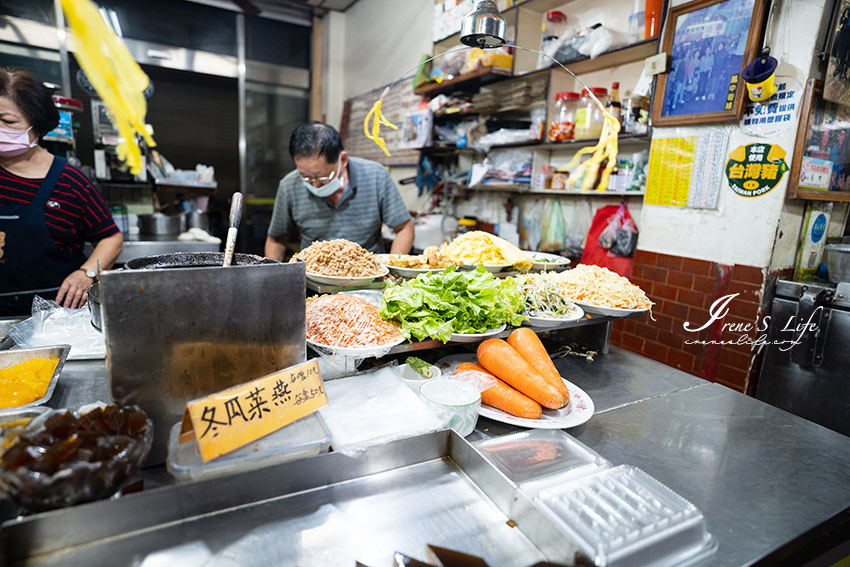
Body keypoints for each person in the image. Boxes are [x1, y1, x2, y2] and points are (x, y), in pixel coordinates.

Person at [0, 68, 122, 316]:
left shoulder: (70, 181)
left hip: (55, 318)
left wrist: (86, 273)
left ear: (38, 125)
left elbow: (111, 238)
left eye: (8, 122)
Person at [264, 121, 414, 259]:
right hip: (313, 276)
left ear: (342, 160)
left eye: (321, 178)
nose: (314, 186)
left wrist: (392, 269)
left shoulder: (376, 176)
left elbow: (404, 228)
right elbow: (276, 239)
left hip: (367, 275)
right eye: (306, 177)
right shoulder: (289, 185)